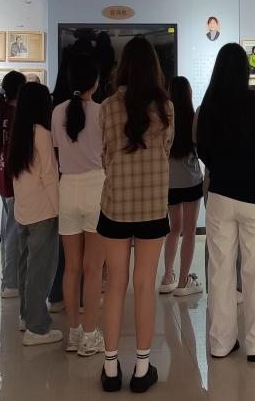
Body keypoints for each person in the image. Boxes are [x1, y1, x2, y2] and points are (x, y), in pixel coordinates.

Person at [97, 37, 173, 393]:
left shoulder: (107, 107)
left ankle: (111, 367)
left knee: (115, 285)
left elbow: (104, 154)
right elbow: (166, 149)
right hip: (152, 206)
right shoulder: (166, 108)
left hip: (116, 204)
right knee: (145, 285)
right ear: (154, 68)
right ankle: (142, 368)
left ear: (123, 66)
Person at [196, 45, 255, 362]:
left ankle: (221, 342)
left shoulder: (209, 105)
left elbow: (202, 148)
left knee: (220, 270)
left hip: (220, 194)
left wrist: (221, 168)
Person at [51, 55, 106, 356]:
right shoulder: (101, 111)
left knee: (71, 267)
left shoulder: (58, 111)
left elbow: (58, 151)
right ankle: (89, 335)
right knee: (93, 268)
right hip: (96, 188)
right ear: (95, 83)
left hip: (67, 187)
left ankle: (73, 333)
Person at [7, 82, 63, 346]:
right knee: (40, 270)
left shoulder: (19, 132)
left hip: (23, 210)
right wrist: (59, 208)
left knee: (26, 267)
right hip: (43, 210)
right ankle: (37, 328)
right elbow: (49, 176)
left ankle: (26, 317)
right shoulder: (42, 133)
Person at [160, 77, 204, 297]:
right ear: (188, 93)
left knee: (173, 229)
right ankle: (183, 282)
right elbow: (200, 147)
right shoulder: (193, 117)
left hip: (169, 182)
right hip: (191, 180)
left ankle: (167, 276)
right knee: (189, 231)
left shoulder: (164, 118)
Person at [0, 71, 27, 299]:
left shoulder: (3, 111)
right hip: (15, 181)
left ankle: (7, 279)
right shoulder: (17, 115)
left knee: (7, 232)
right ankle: (11, 283)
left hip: (3, 178)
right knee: (14, 233)